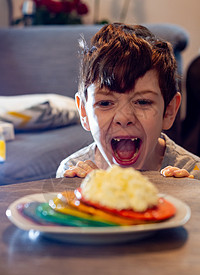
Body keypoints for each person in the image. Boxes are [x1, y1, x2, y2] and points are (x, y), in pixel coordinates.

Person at [56, 23, 200, 180]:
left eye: (143, 102)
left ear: (169, 111)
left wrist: (188, 199)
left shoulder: (192, 172)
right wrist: (83, 196)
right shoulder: (72, 172)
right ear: (84, 112)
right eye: (105, 103)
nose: (124, 118)